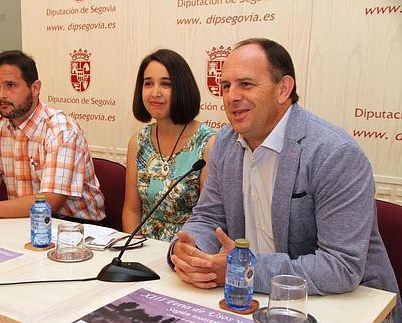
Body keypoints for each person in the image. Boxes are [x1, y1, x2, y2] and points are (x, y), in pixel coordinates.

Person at [169, 38, 401, 321]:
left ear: (283, 89)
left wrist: (243, 268)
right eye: (226, 86)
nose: (231, 97)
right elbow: (207, 218)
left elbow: (341, 266)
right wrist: (191, 251)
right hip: (256, 299)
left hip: (346, 304)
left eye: (246, 84)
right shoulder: (225, 144)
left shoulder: (334, 153)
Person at [0, 50, 105, 223]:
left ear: (35, 88)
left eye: (10, 85)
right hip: (22, 222)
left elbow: (50, 202)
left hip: (74, 228)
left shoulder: (61, 130)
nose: (1, 95)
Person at [121, 49, 216, 241]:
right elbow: (131, 210)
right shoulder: (138, 141)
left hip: (188, 251)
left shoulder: (209, 143)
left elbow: (211, 221)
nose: (155, 92)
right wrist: (135, 252)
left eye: (166, 84)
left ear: (183, 88)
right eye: (148, 83)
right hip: (143, 249)